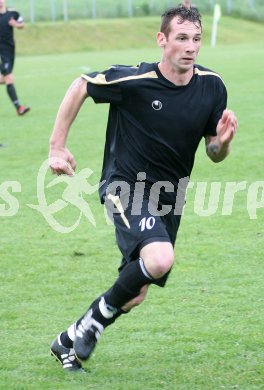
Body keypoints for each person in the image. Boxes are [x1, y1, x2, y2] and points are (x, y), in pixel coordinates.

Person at [49, 4, 237, 372]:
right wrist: (57, 147)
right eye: (181, 38)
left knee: (135, 292)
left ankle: (69, 338)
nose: (190, 46)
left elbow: (213, 152)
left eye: (196, 39)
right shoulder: (135, 81)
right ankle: (91, 325)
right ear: (162, 40)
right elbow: (81, 84)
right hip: (124, 185)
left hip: (170, 198)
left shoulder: (213, 86)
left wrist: (224, 142)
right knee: (160, 258)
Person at [0, 0, 30, 115]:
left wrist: (15, 24)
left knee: (4, 79)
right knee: (9, 78)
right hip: (2, 54)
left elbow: (22, 25)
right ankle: (19, 107)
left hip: (10, 52)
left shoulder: (13, 13)